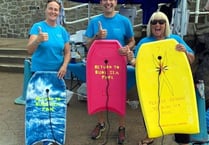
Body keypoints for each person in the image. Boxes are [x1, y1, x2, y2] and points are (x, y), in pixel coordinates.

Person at [127, 11, 195, 145]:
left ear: (166, 25)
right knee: (151, 110)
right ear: (150, 26)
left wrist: (185, 52)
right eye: (154, 22)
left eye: (161, 22)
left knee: (178, 110)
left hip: (175, 84)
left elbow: (191, 59)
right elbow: (137, 64)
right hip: (152, 86)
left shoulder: (175, 39)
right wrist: (131, 60)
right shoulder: (144, 42)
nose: (157, 25)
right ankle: (151, 135)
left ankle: (183, 140)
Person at [84, 0, 135, 144]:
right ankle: (101, 124)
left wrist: (127, 48)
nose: (108, 2)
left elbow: (132, 41)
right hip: (98, 66)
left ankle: (121, 126)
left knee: (119, 94)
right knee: (100, 92)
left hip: (118, 65)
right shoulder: (94, 22)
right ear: (101, 2)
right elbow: (87, 45)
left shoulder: (124, 21)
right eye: (105, 0)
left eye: (111, 0)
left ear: (115, 2)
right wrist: (97, 37)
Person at [26, 1, 70, 144]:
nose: (53, 12)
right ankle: (38, 135)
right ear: (46, 10)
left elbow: (67, 52)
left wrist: (64, 66)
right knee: (39, 107)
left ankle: (51, 138)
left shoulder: (62, 31)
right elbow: (29, 50)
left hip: (57, 75)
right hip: (39, 75)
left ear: (59, 12)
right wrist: (37, 40)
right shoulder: (37, 27)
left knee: (54, 107)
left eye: (56, 10)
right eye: (50, 9)